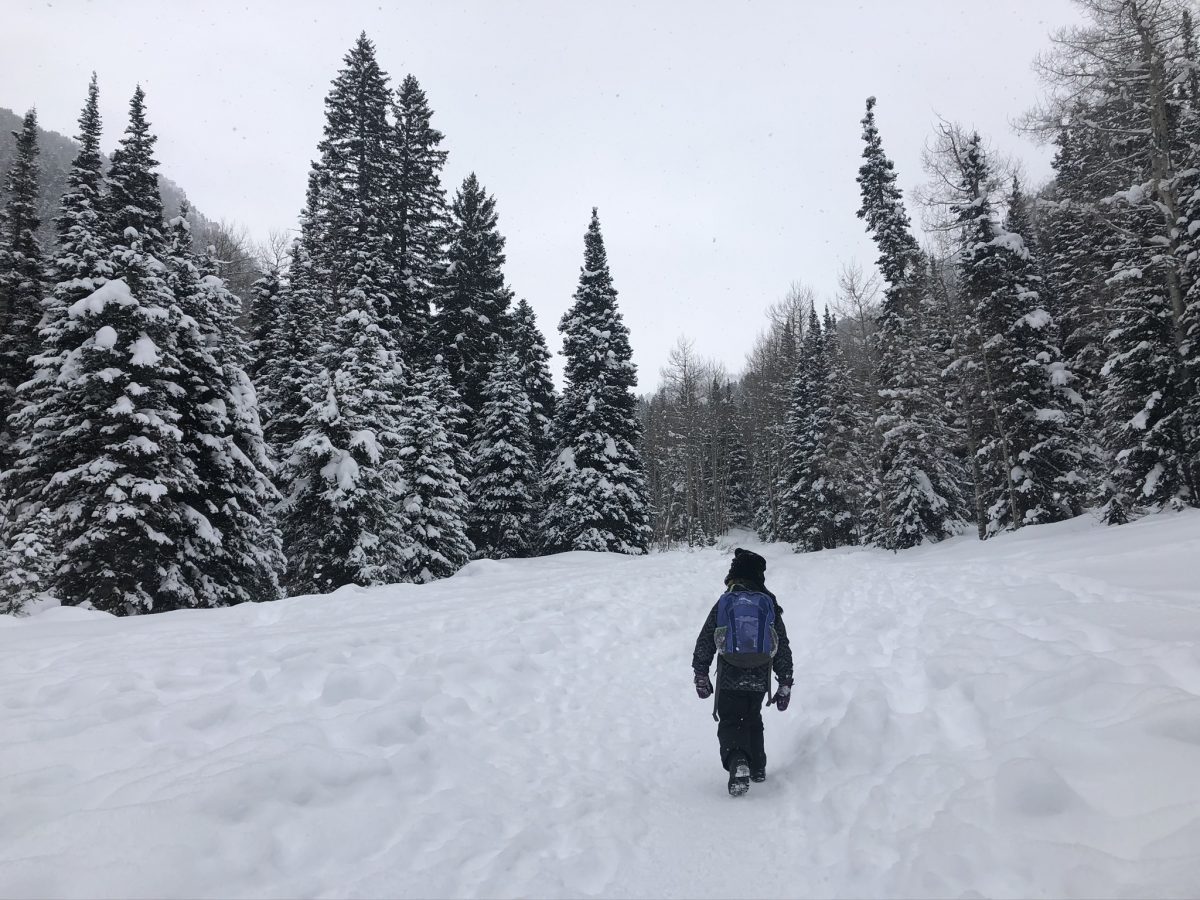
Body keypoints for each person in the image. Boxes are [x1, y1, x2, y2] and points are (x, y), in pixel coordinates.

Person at [692, 547, 793, 795]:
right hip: (759, 674)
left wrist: (701, 673)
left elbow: (706, 638)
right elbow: (781, 645)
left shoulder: (726, 601)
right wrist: (785, 681)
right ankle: (757, 767)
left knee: (731, 719)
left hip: (730, 672)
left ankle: (738, 761)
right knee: (752, 716)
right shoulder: (767, 602)